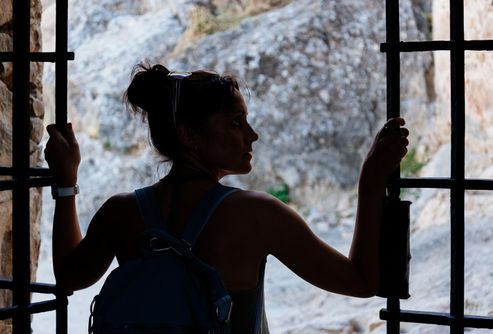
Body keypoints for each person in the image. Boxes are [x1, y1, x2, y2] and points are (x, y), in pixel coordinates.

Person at [44, 63, 409, 333]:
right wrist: (371, 180)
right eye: (236, 122)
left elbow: (69, 276)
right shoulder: (257, 215)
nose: (252, 135)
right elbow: (361, 281)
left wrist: (66, 184)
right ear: (189, 136)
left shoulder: (121, 213)